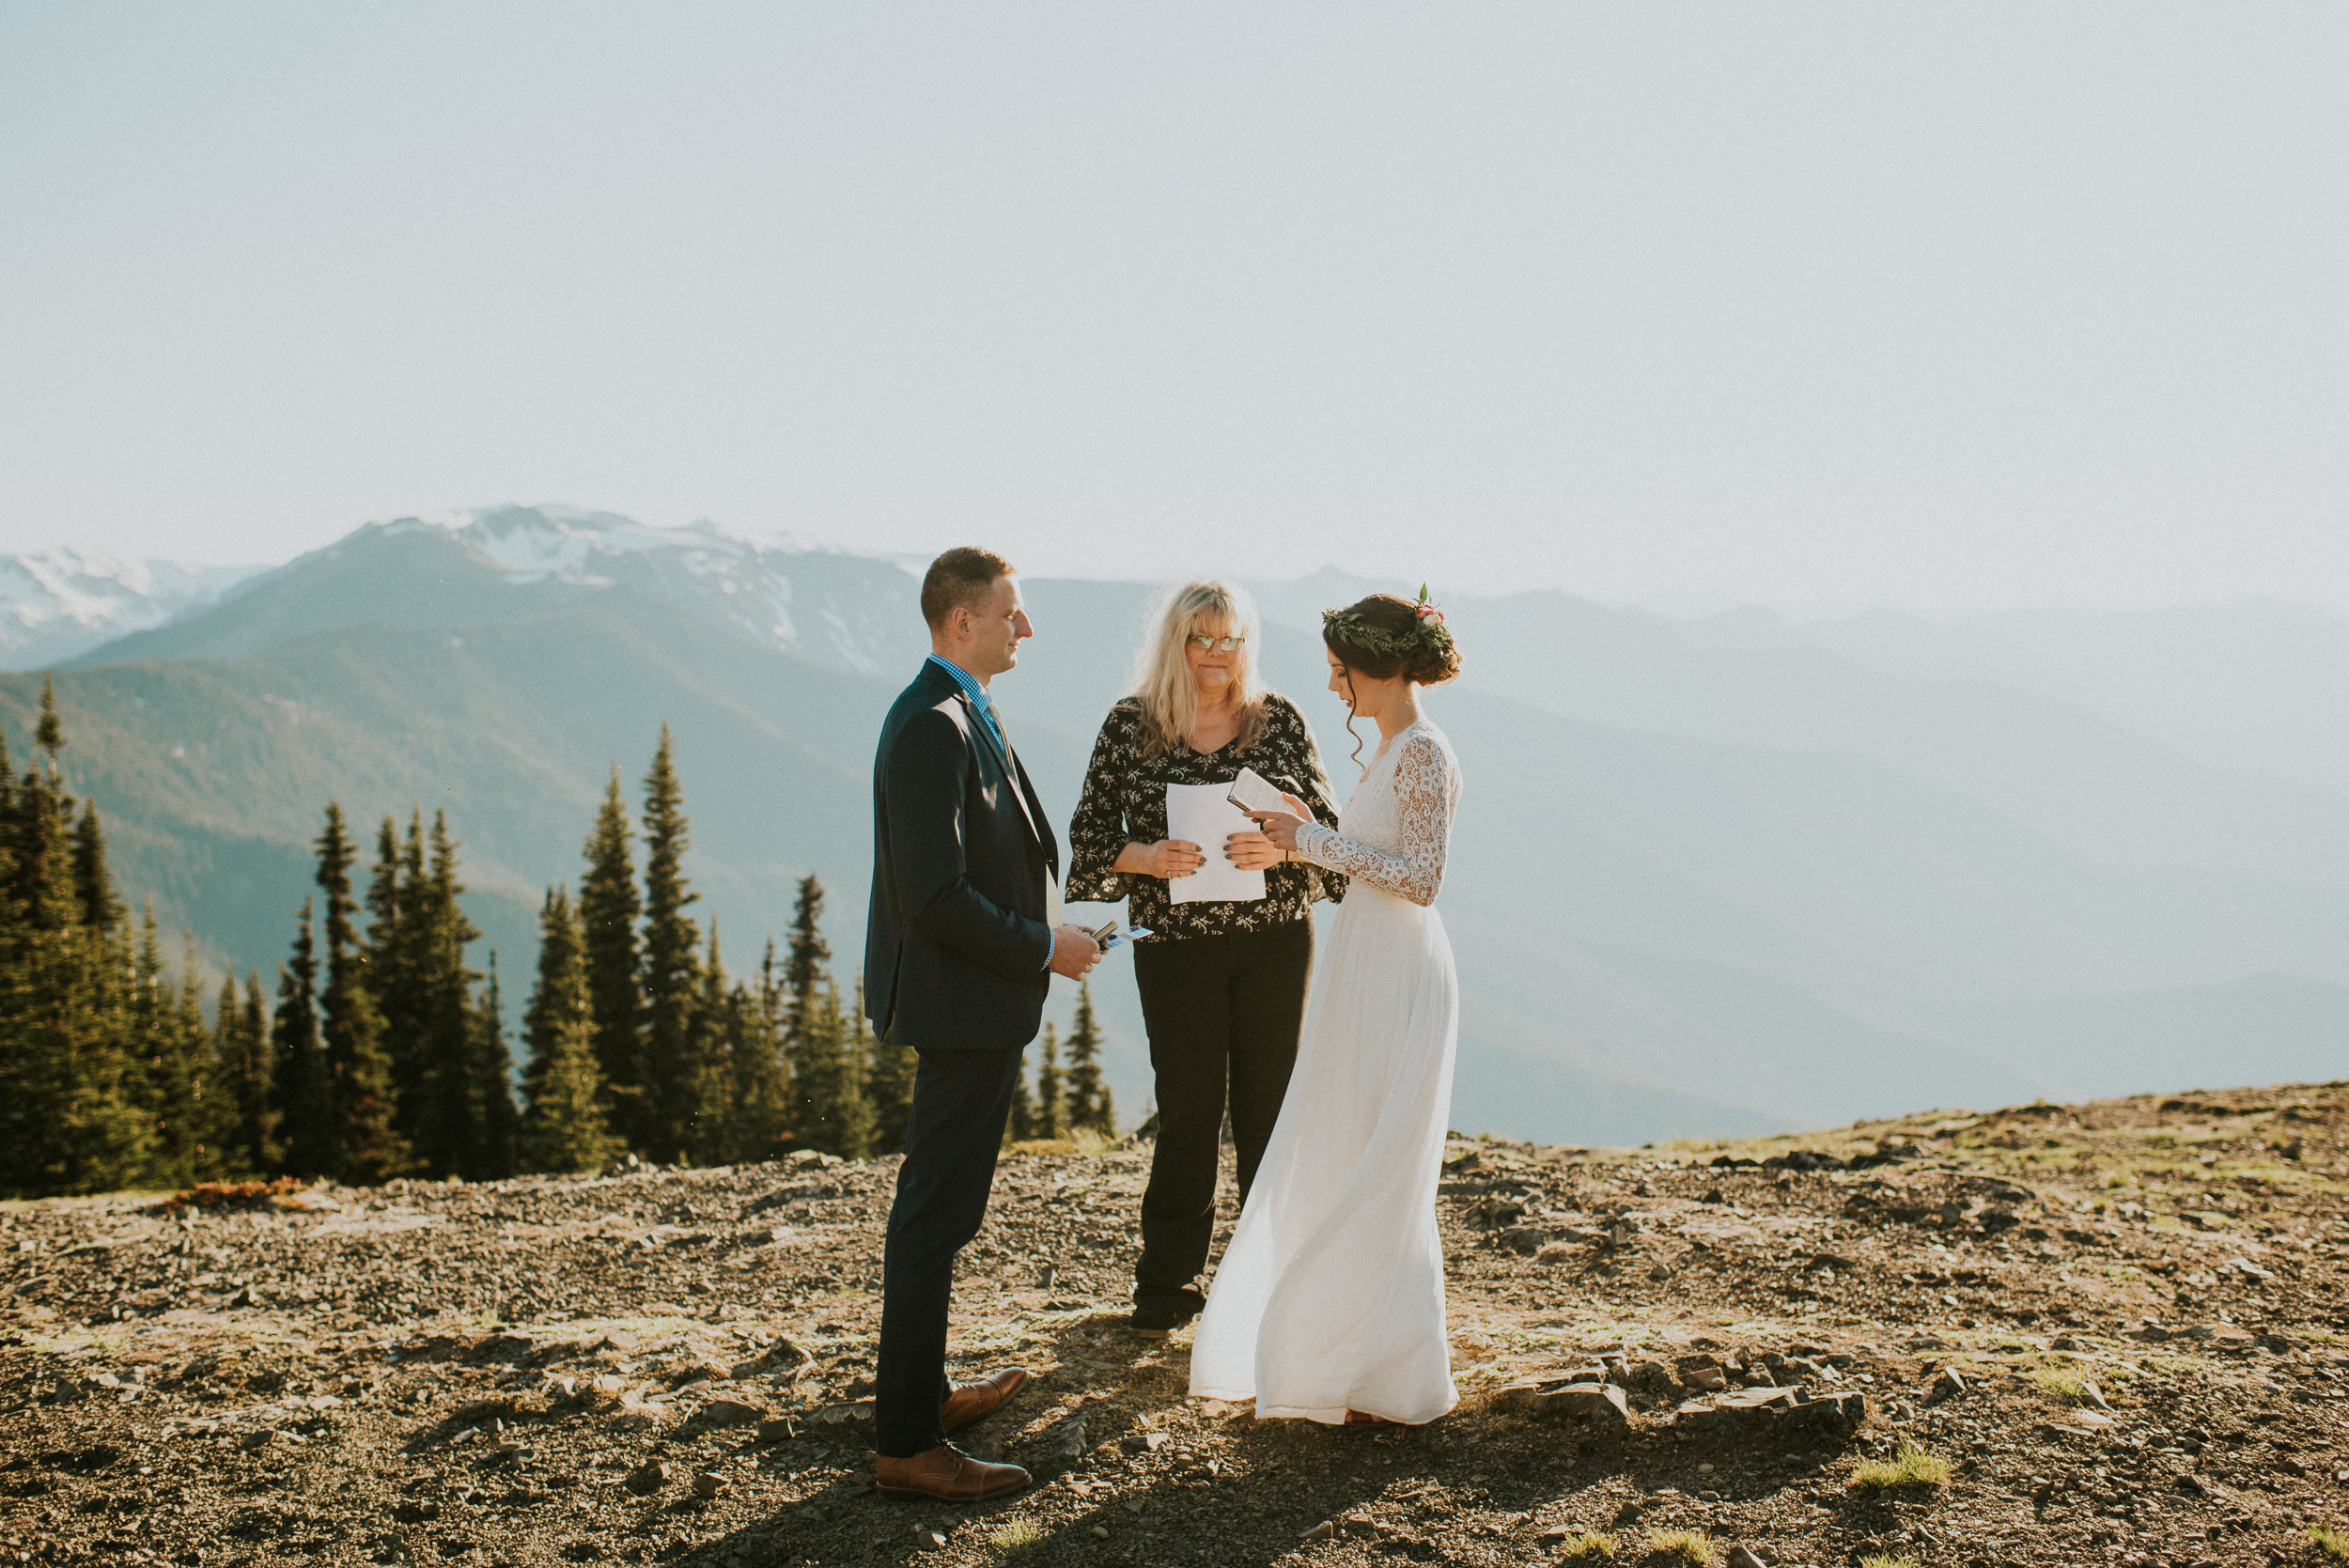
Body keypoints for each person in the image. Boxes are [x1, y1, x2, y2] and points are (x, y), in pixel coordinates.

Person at [1186, 588, 1465, 1425]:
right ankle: (1348, 1354)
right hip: (1363, 961)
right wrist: (1314, 822)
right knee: (1349, 1140)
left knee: (1382, 1152)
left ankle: (1387, 1368)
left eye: (1341, 674)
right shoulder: (1388, 749)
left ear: (1374, 669)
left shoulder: (1422, 751)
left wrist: (1306, 841)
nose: (1335, 690)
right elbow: (1373, 851)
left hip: (1399, 965)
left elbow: (1420, 877)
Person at [864, 546, 1104, 1501]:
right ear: (962, 620)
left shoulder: (960, 708)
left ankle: (922, 1396)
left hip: (977, 1004)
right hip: (961, 1005)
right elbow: (933, 896)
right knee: (933, 1216)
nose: (1027, 626)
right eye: (1013, 612)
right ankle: (908, 1440)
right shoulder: (931, 725)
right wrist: (1043, 945)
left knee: (944, 1212)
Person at [1065, 581, 1343, 1338]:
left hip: (1274, 944)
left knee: (1268, 1110)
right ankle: (1166, 1289)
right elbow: (1088, 846)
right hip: (1174, 949)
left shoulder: (1278, 720)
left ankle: (1270, 1284)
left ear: (1247, 645)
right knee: (1187, 1111)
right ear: (1174, 641)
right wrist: (1149, 857)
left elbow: (1332, 839)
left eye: (1230, 639)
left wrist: (1280, 841)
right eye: (1201, 637)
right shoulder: (1131, 725)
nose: (1216, 653)